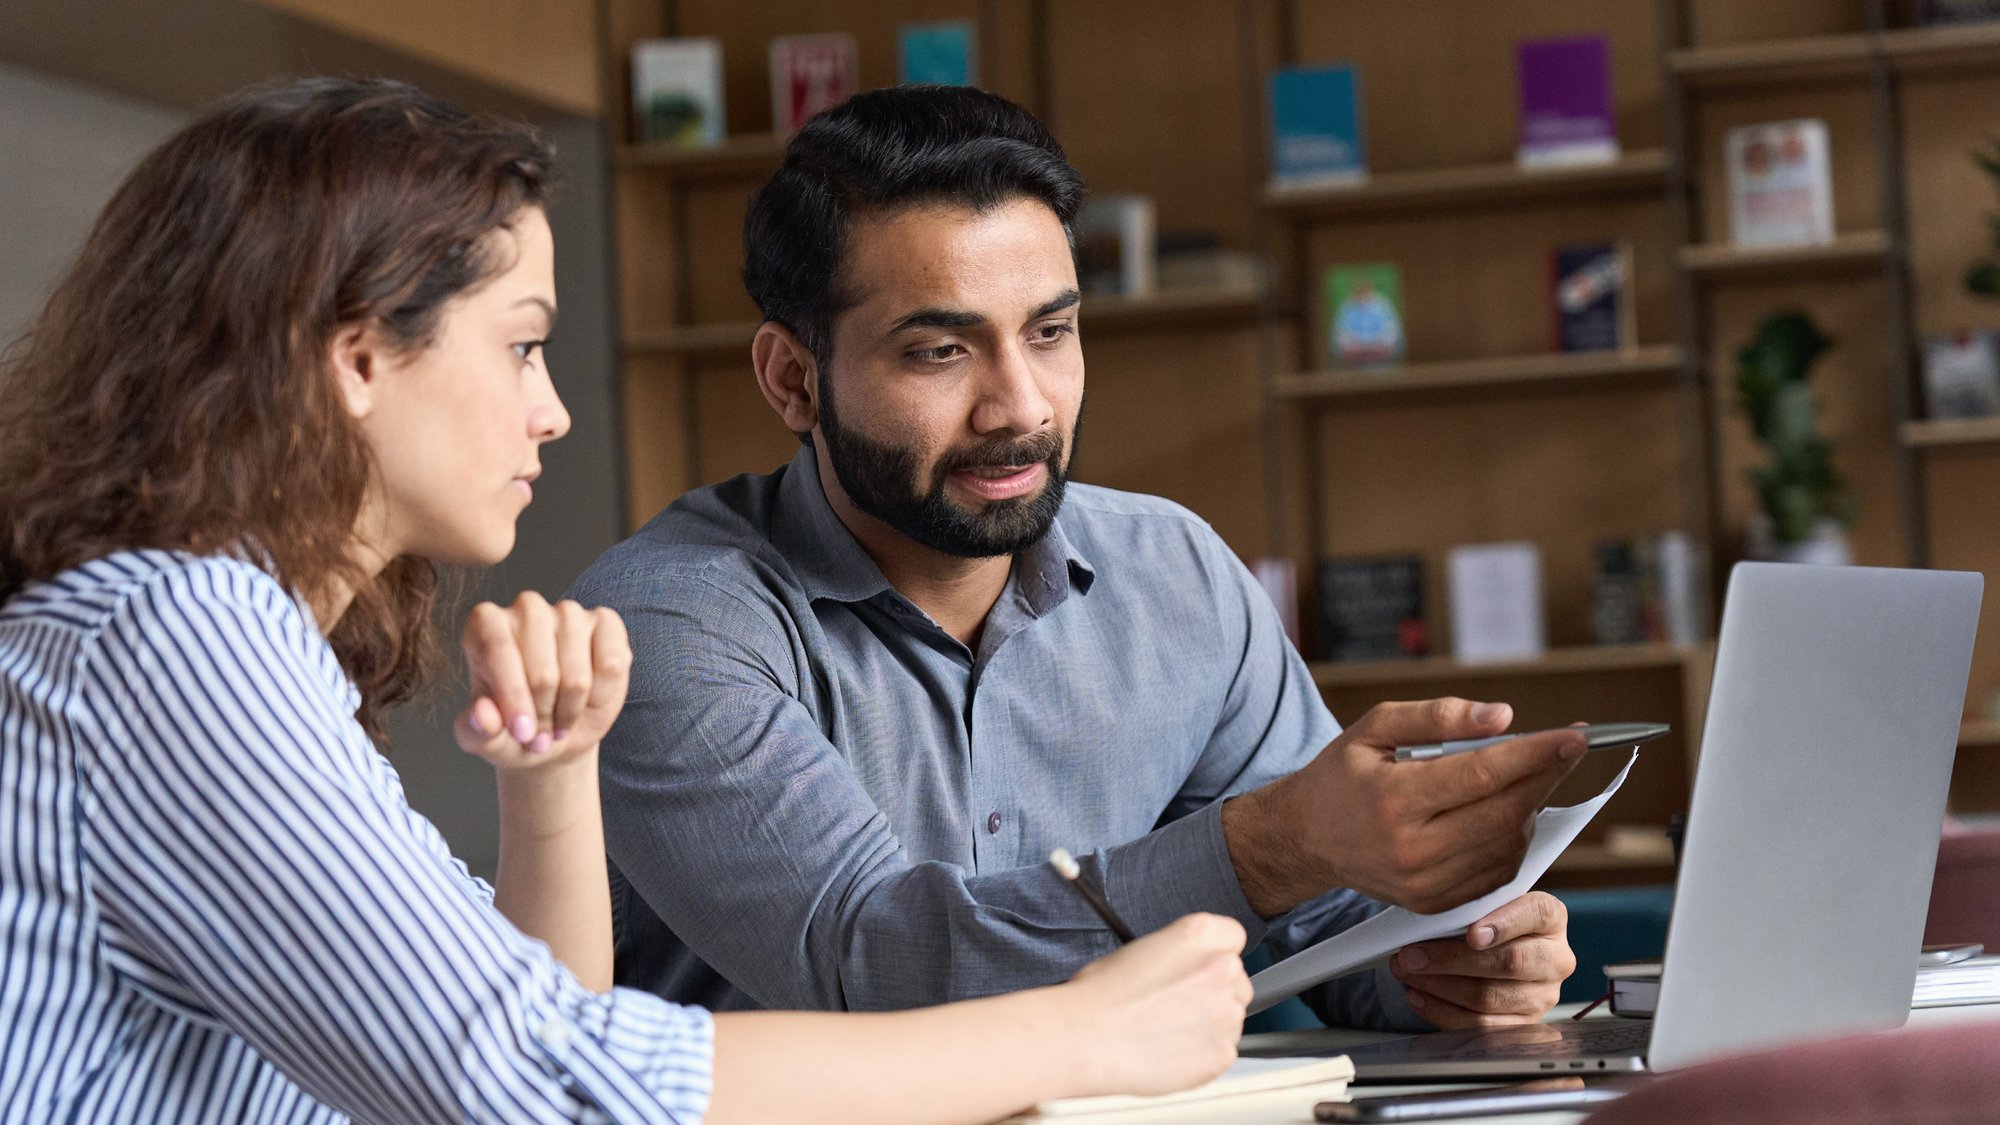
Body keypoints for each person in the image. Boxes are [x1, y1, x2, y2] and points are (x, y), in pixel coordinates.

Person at [0, 78, 1255, 1125]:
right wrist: (1071, 1036)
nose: (548, 408)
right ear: (360, 358)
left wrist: (549, 786)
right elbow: (530, 1077)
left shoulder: (225, 642)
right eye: (522, 343)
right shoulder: (172, 636)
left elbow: (522, 1029)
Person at [572, 84, 1586, 1031]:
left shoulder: (1174, 575)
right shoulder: (667, 623)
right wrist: (1271, 844)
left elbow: (1325, 929)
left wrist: (1453, 961)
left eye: (1049, 331)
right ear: (793, 380)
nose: (1021, 406)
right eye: (939, 351)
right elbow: (872, 969)